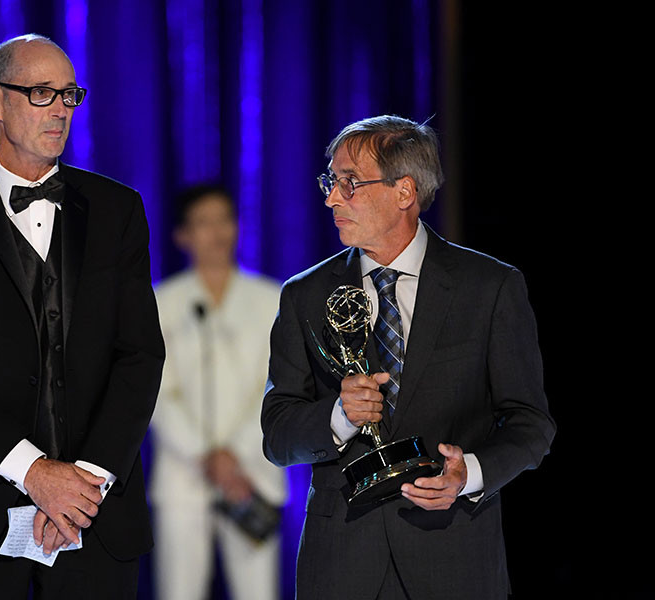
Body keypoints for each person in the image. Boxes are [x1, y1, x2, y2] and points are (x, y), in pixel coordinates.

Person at [0, 34, 164, 599]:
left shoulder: (119, 210)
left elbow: (140, 355)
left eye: (69, 95)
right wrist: (34, 473)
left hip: (96, 523)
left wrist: (82, 485)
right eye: (42, 93)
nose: (62, 111)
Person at [261, 115, 555, 600]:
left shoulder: (490, 287)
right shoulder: (305, 295)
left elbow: (531, 423)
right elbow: (277, 436)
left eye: (349, 183)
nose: (332, 198)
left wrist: (470, 474)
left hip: (455, 557)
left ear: (404, 192)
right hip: (341, 565)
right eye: (330, 182)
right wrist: (338, 416)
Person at [149, 185, 287, 600]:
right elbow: (157, 392)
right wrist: (205, 455)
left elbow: (277, 385)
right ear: (183, 236)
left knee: (258, 593)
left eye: (224, 219)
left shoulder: (272, 299)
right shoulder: (161, 302)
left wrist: (235, 456)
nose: (216, 232)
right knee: (179, 591)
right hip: (183, 475)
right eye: (203, 223)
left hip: (252, 476)